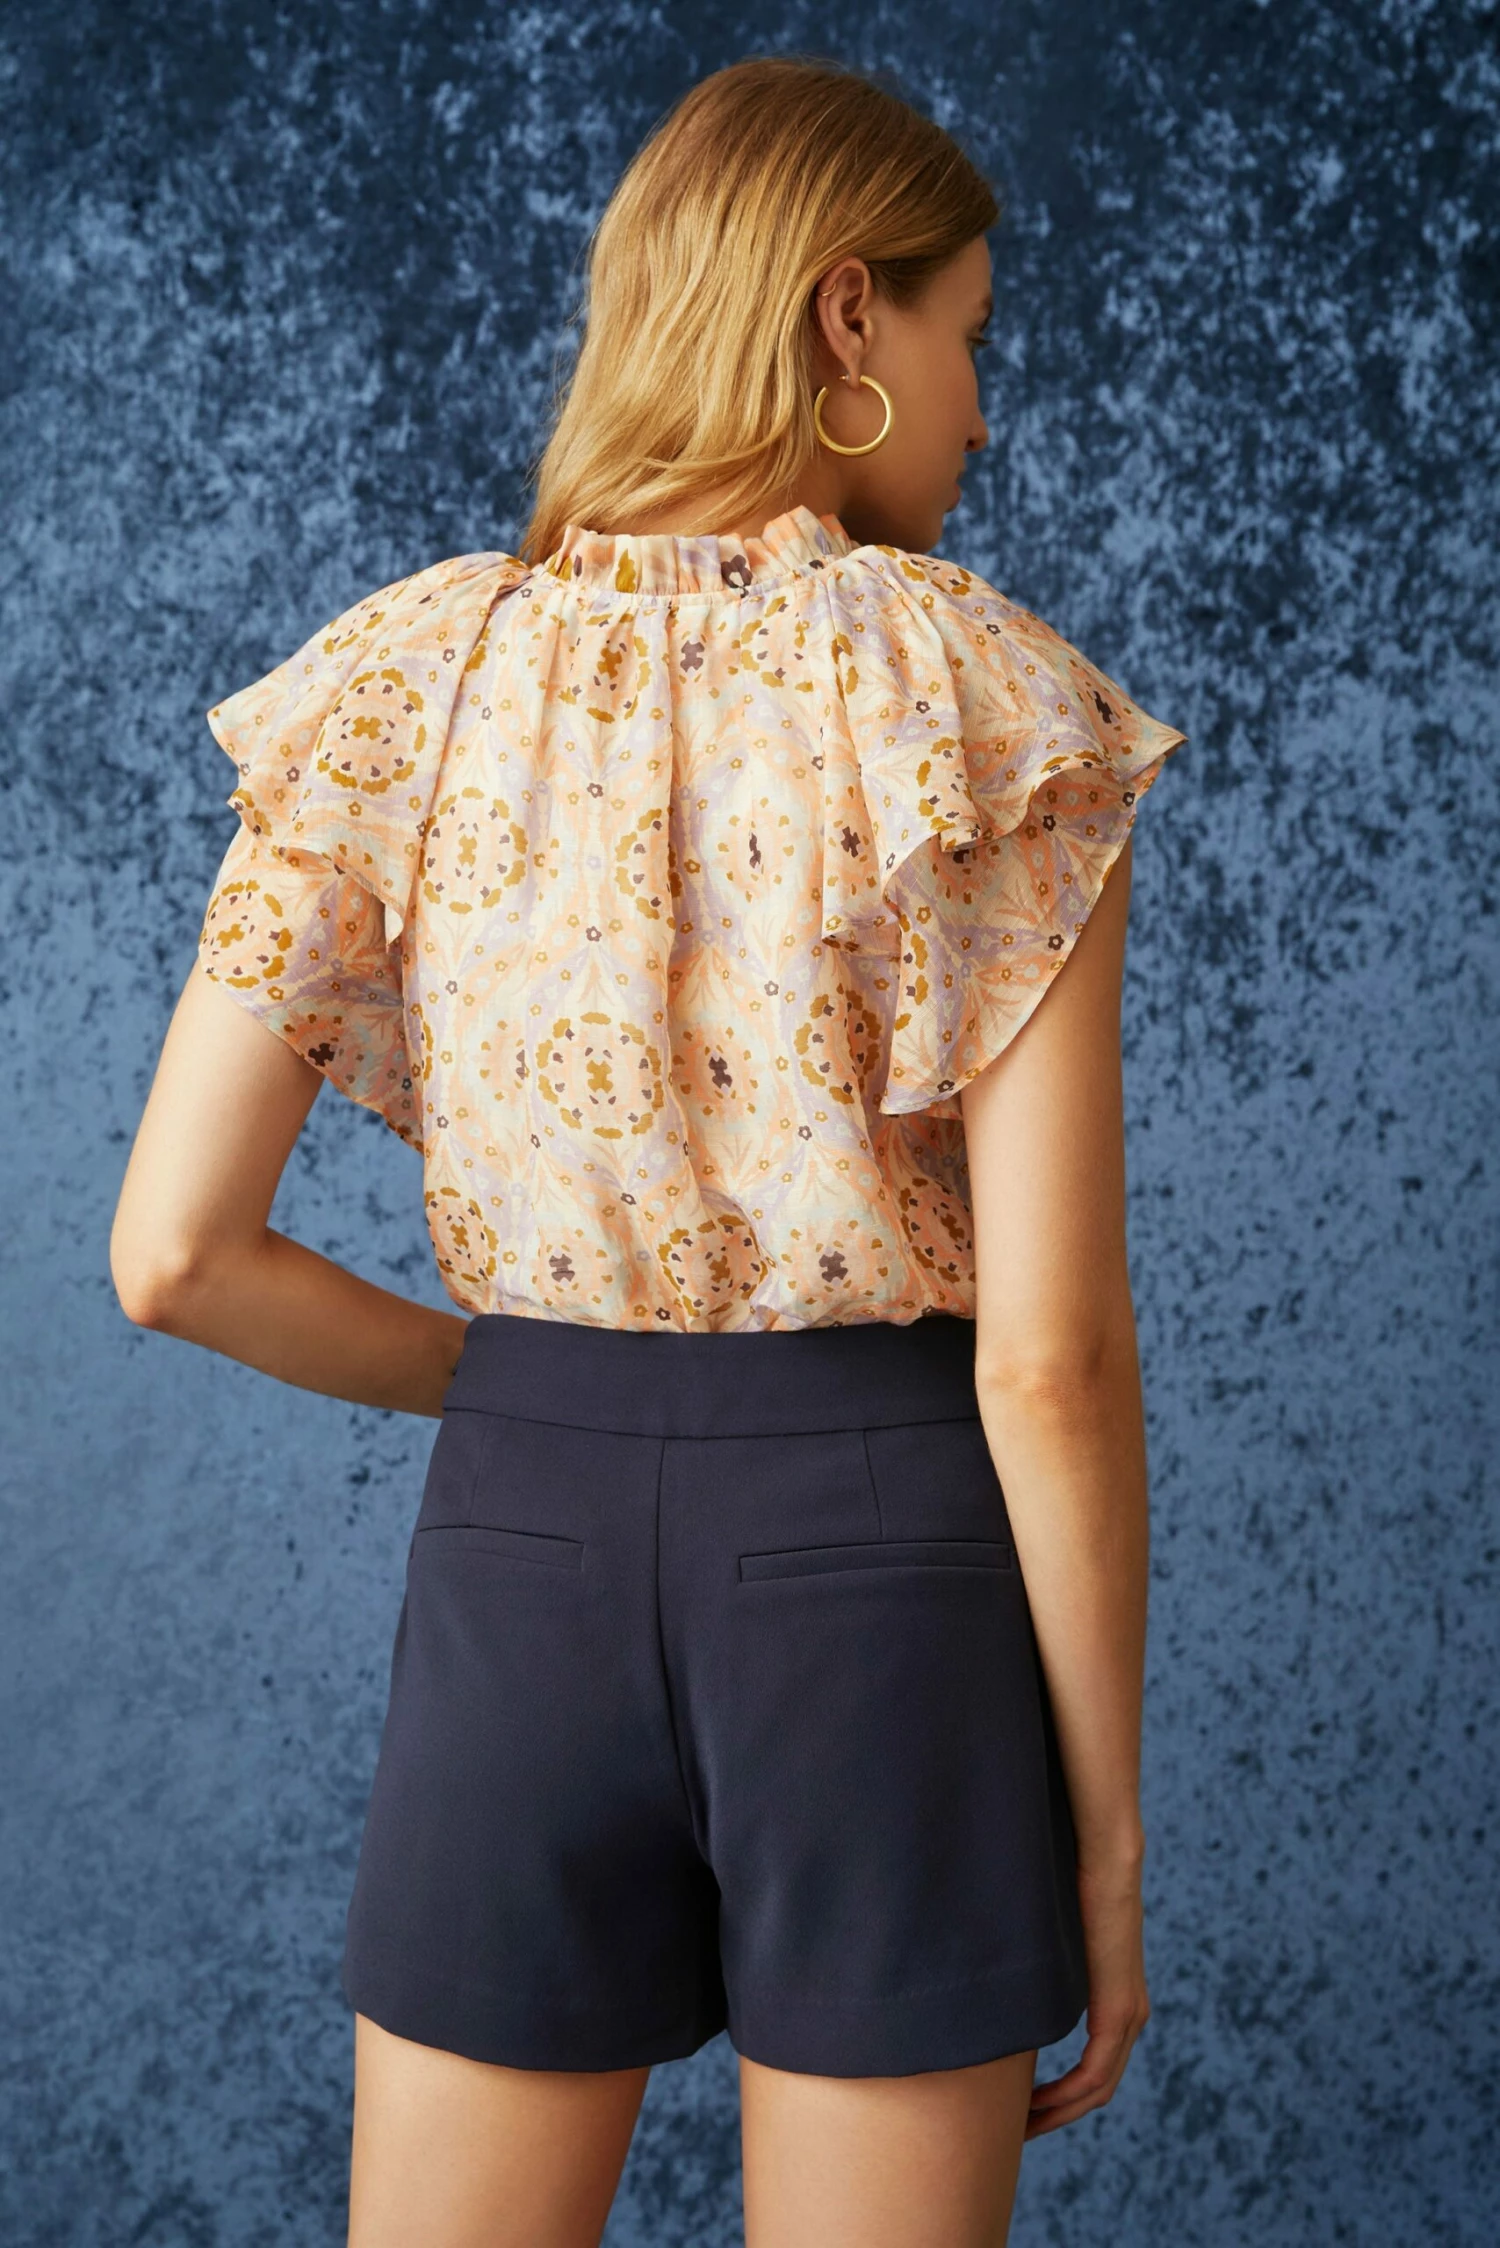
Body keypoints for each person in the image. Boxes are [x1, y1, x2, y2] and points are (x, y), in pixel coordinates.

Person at [110, 52, 1187, 2248]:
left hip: (521, 1539)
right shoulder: (981, 701)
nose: (985, 411)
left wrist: (520, 1390)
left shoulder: (411, 679)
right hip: (884, 1575)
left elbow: (173, 1254)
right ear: (848, 313)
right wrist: (1103, 1841)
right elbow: (1051, 1363)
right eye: (971, 334)